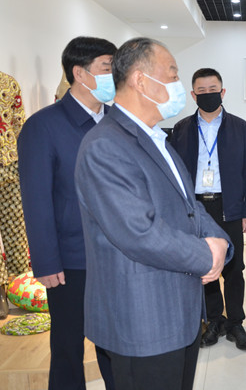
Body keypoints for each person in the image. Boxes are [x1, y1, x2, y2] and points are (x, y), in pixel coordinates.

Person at [74, 37, 232, 390]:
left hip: (179, 313)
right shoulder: (106, 145)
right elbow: (138, 232)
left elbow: (190, 207)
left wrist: (220, 240)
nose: (178, 84)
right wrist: (206, 255)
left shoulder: (156, 139)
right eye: (172, 74)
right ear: (141, 81)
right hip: (143, 320)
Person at [17, 36, 117, 390]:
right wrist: (46, 262)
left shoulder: (118, 121)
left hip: (119, 255)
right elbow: (36, 200)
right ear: (80, 73)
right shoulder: (43, 126)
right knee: (68, 346)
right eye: (107, 68)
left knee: (117, 345)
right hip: (72, 260)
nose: (115, 75)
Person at [169, 67, 246, 351]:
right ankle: (214, 319)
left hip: (229, 205)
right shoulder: (181, 129)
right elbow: (175, 173)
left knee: (234, 268)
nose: (208, 95)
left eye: (213, 90)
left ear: (222, 92)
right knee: (205, 267)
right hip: (196, 208)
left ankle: (236, 322)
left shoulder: (239, 127)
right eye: (202, 91)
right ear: (193, 94)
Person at [0, 20, 30, 320]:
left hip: (10, 165)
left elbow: (19, 125)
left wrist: (24, 162)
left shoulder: (9, 84)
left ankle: (20, 287)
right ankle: (0, 293)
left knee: (16, 229)